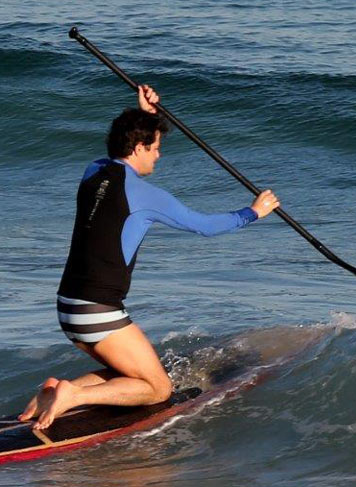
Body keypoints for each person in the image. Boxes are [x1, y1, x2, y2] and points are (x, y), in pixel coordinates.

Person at [19, 85, 280, 429]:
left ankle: (53, 393)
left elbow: (123, 143)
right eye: (155, 148)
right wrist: (253, 212)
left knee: (124, 372)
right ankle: (73, 395)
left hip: (68, 306)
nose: (158, 156)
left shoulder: (92, 171)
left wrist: (147, 116)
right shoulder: (144, 195)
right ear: (139, 147)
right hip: (98, 312)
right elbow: (204, 226)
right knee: (158, 388)